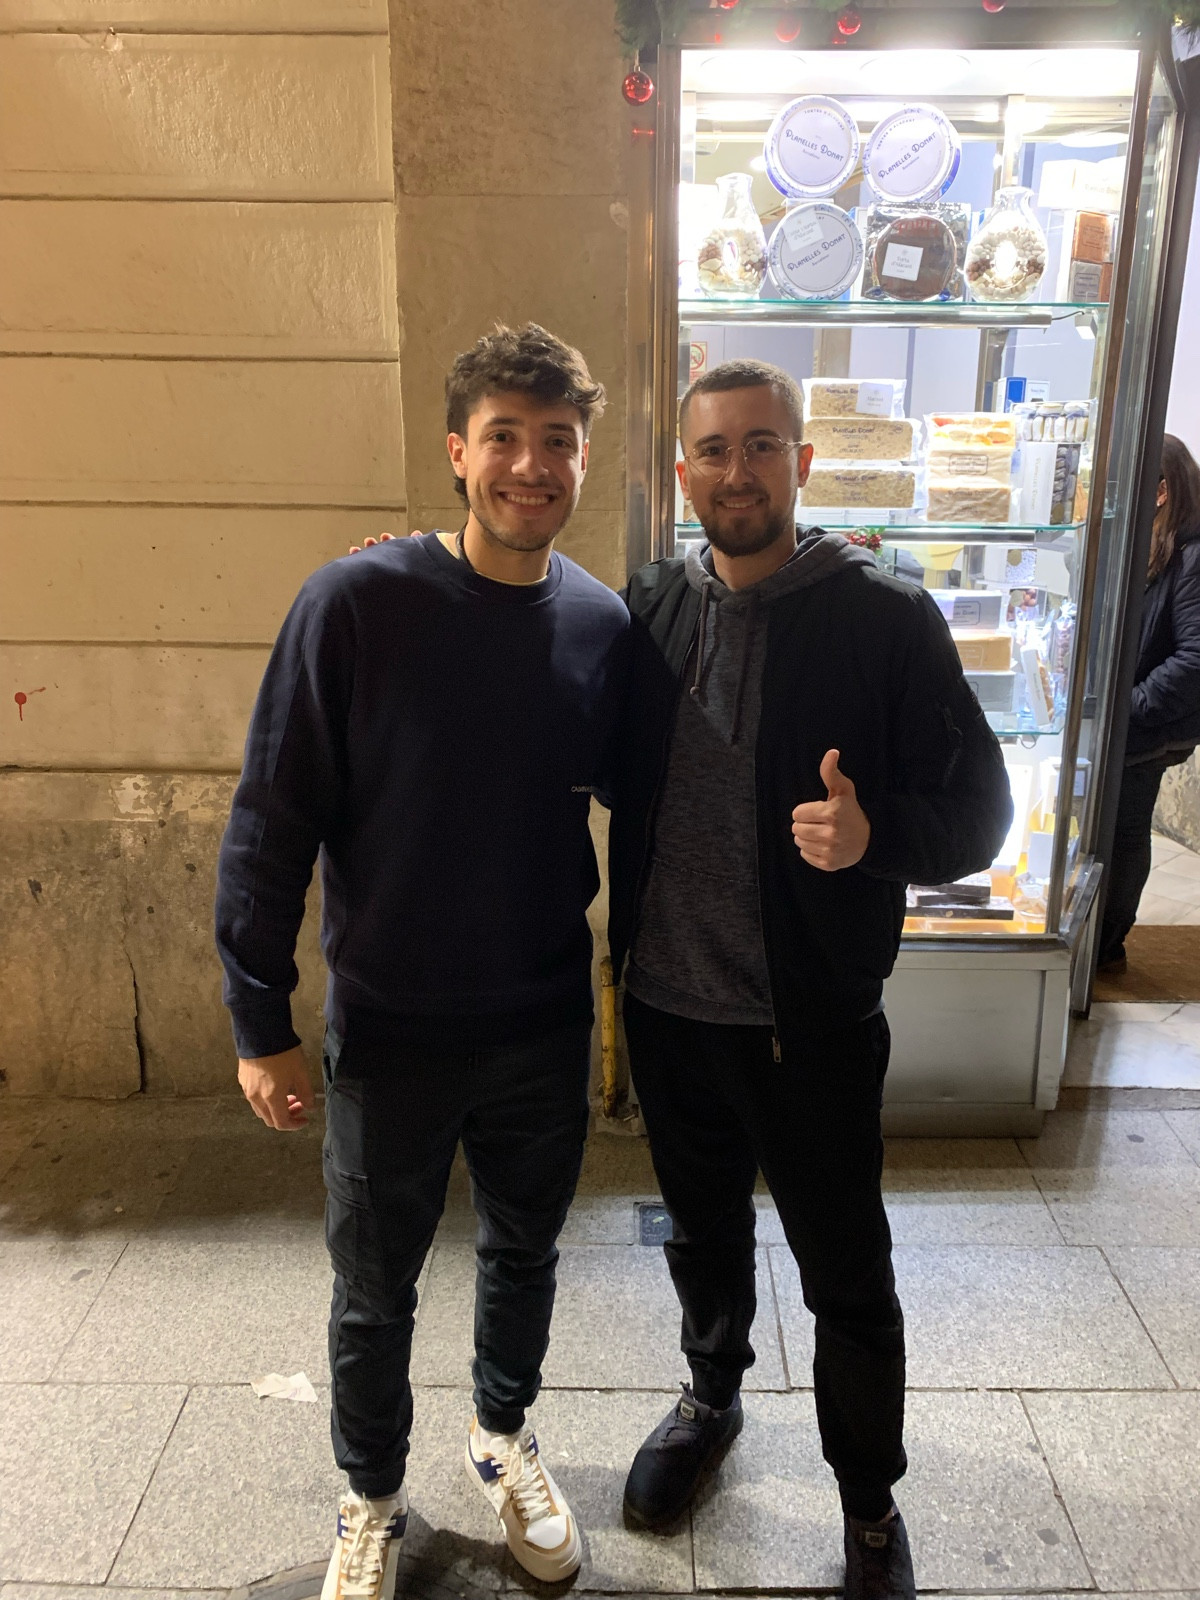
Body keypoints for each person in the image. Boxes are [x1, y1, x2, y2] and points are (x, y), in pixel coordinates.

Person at [215, 324, 629, 1600]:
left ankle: (502, 1439)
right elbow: (272, 814)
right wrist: (258, 1018)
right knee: (372, 1287)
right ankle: (372, 1497)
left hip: (540, 1021)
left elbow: (657, 789)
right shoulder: (356, 604)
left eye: (557, 441)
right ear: (457, 452)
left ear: (584, 459)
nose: (530, 465)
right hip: (388, 1027)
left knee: (525, 1253)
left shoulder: (600, 623)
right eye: (504, 437)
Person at [608, 359, 1013, 1600]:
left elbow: (982, 810)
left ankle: (869, 1501)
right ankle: (711, 1395)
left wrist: (874, 833)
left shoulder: (885, 620)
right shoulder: (648, 609)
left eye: (762, 445)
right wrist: (414, 585)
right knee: (702, 1233)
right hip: (668, 1011)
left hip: (811, 1027)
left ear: (803, 461)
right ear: (684, 472)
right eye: (714, 449)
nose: (738, 470)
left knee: (848, 1274)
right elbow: (541, 698)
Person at [1097, 432, 1200, 970]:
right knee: (1114, 830)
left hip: (1147, 726)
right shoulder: (1157, 543)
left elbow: (1195, 660)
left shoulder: (1192, 554)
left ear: (1161, 490)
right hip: (1133, 722)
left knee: (1125, 833)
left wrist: (1130, 706)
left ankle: (1107, 946)